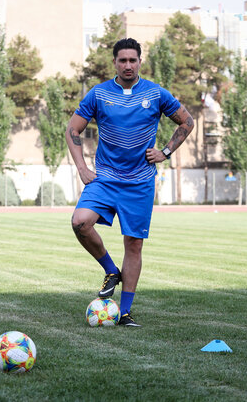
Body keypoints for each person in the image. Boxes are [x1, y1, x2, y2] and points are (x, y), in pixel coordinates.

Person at [66, 38, 194, 327]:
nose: (127, 65)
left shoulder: (156, 93)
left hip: (140, 182)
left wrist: (165, 152)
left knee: (133, 245)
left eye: (132, 60)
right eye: (122, 60)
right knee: (79, 222)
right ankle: (111, 271)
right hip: (106, 178)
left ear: (139, 62)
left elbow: (187, 122)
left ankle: (124, 312)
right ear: (114, 62)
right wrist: (82, 168)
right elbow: (73, 129)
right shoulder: (98, 94)